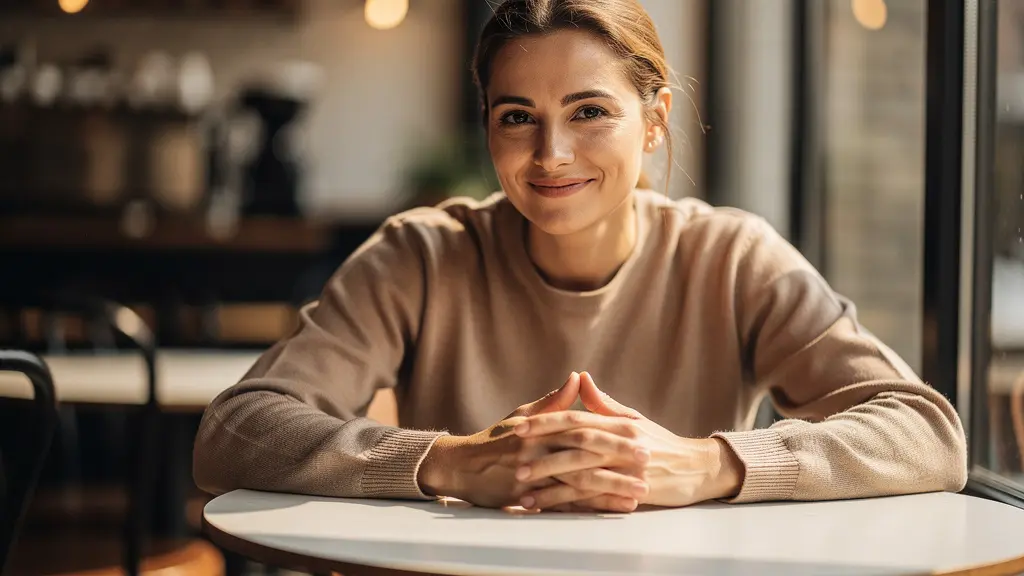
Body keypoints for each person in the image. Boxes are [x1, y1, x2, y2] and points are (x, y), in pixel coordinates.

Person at [193, 0, 967, 513]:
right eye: (517, 116)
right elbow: (234, 432)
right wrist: (448, 461)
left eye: (589, 111)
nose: (551, 154)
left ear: (655, 121)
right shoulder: (420, 257)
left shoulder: (732, 258)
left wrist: (704, 465)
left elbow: (928, 432)